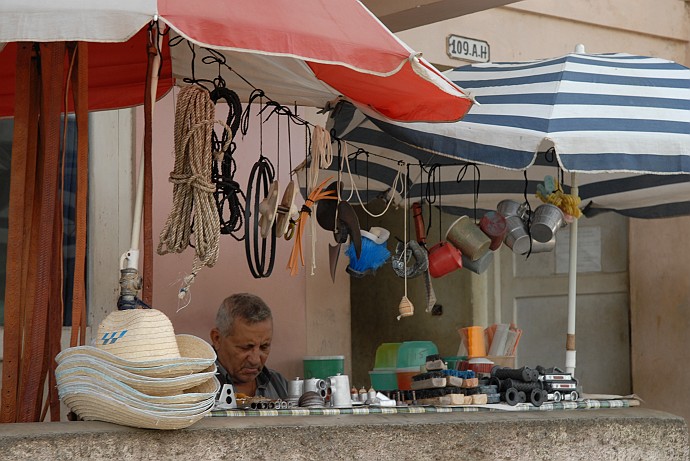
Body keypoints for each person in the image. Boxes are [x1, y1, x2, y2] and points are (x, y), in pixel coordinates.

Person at [210, 293, 288, 399]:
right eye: (246, 348)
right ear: (217, 339)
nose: (255, 360)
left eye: (264, 347)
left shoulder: (279, 385)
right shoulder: (195, 387)